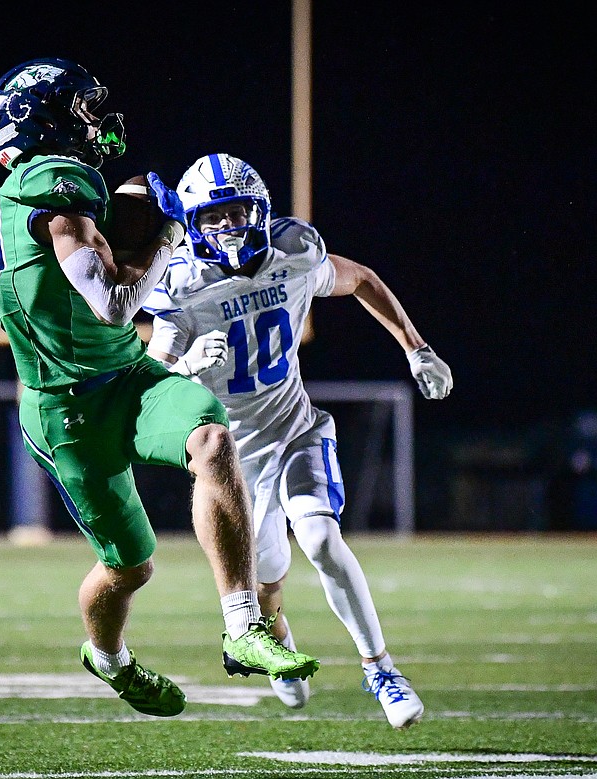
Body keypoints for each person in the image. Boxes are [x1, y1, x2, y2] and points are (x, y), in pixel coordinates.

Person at [0, 63, 319, 718]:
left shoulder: (63, 189)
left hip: (130, 377)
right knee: (130, 565)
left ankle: (244, 625)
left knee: (211, 438)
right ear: (43, 121)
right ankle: (109, 659)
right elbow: (112, 303)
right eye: (79, 109)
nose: (95, 121)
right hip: (68, 410)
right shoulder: (50, 182)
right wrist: (166, 233)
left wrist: (135, 207)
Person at [142, 153, 452, 729]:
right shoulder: (182, 284)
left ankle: (381, 669)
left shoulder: (295, 252)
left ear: (259, 209)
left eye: (237, 210)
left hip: (296, 429)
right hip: (235, 462)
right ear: (191, 222)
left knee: (322, 540)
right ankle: (278, 639)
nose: (228, 226)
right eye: (212, 216)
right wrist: (184, 365)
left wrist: (417, 347)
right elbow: (149, 376)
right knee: (266, 586)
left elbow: (362, 279)